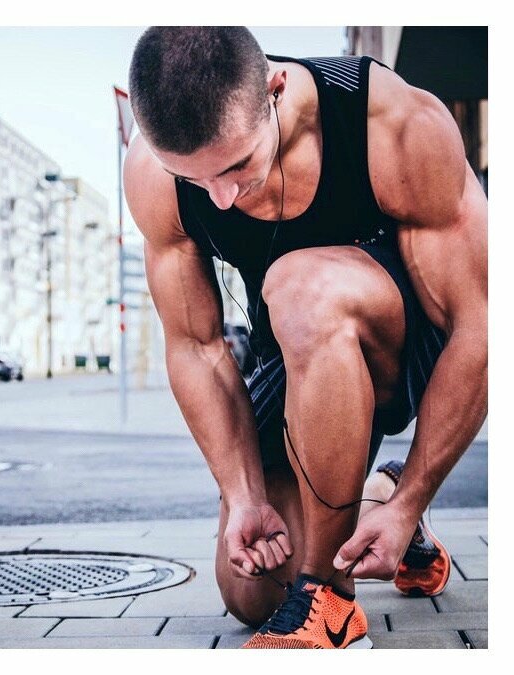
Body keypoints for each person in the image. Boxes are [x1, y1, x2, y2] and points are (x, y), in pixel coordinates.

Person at [124, 27, 487, 649]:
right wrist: (242, 497)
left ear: (276, 89)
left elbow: (481, 325)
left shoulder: (393, 122)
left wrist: (419, 495)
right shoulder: (155, 174)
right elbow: (197, 347)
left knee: (300, 286)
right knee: (253, 592)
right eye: (194, 178)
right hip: (298, 353)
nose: (221, 196)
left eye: (237, 165)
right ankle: (380, 495)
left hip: (410, 341)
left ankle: (331, 602)